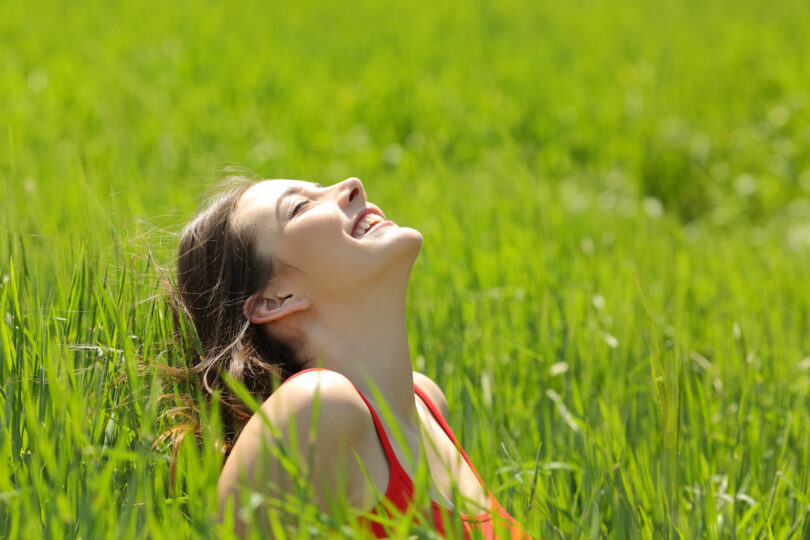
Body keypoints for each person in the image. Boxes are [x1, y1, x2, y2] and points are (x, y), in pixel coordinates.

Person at [174, 176, 530, 538]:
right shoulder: (316, 407)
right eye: (299, 207)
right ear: (275, 300)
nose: (353, 184)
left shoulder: (427, 403)